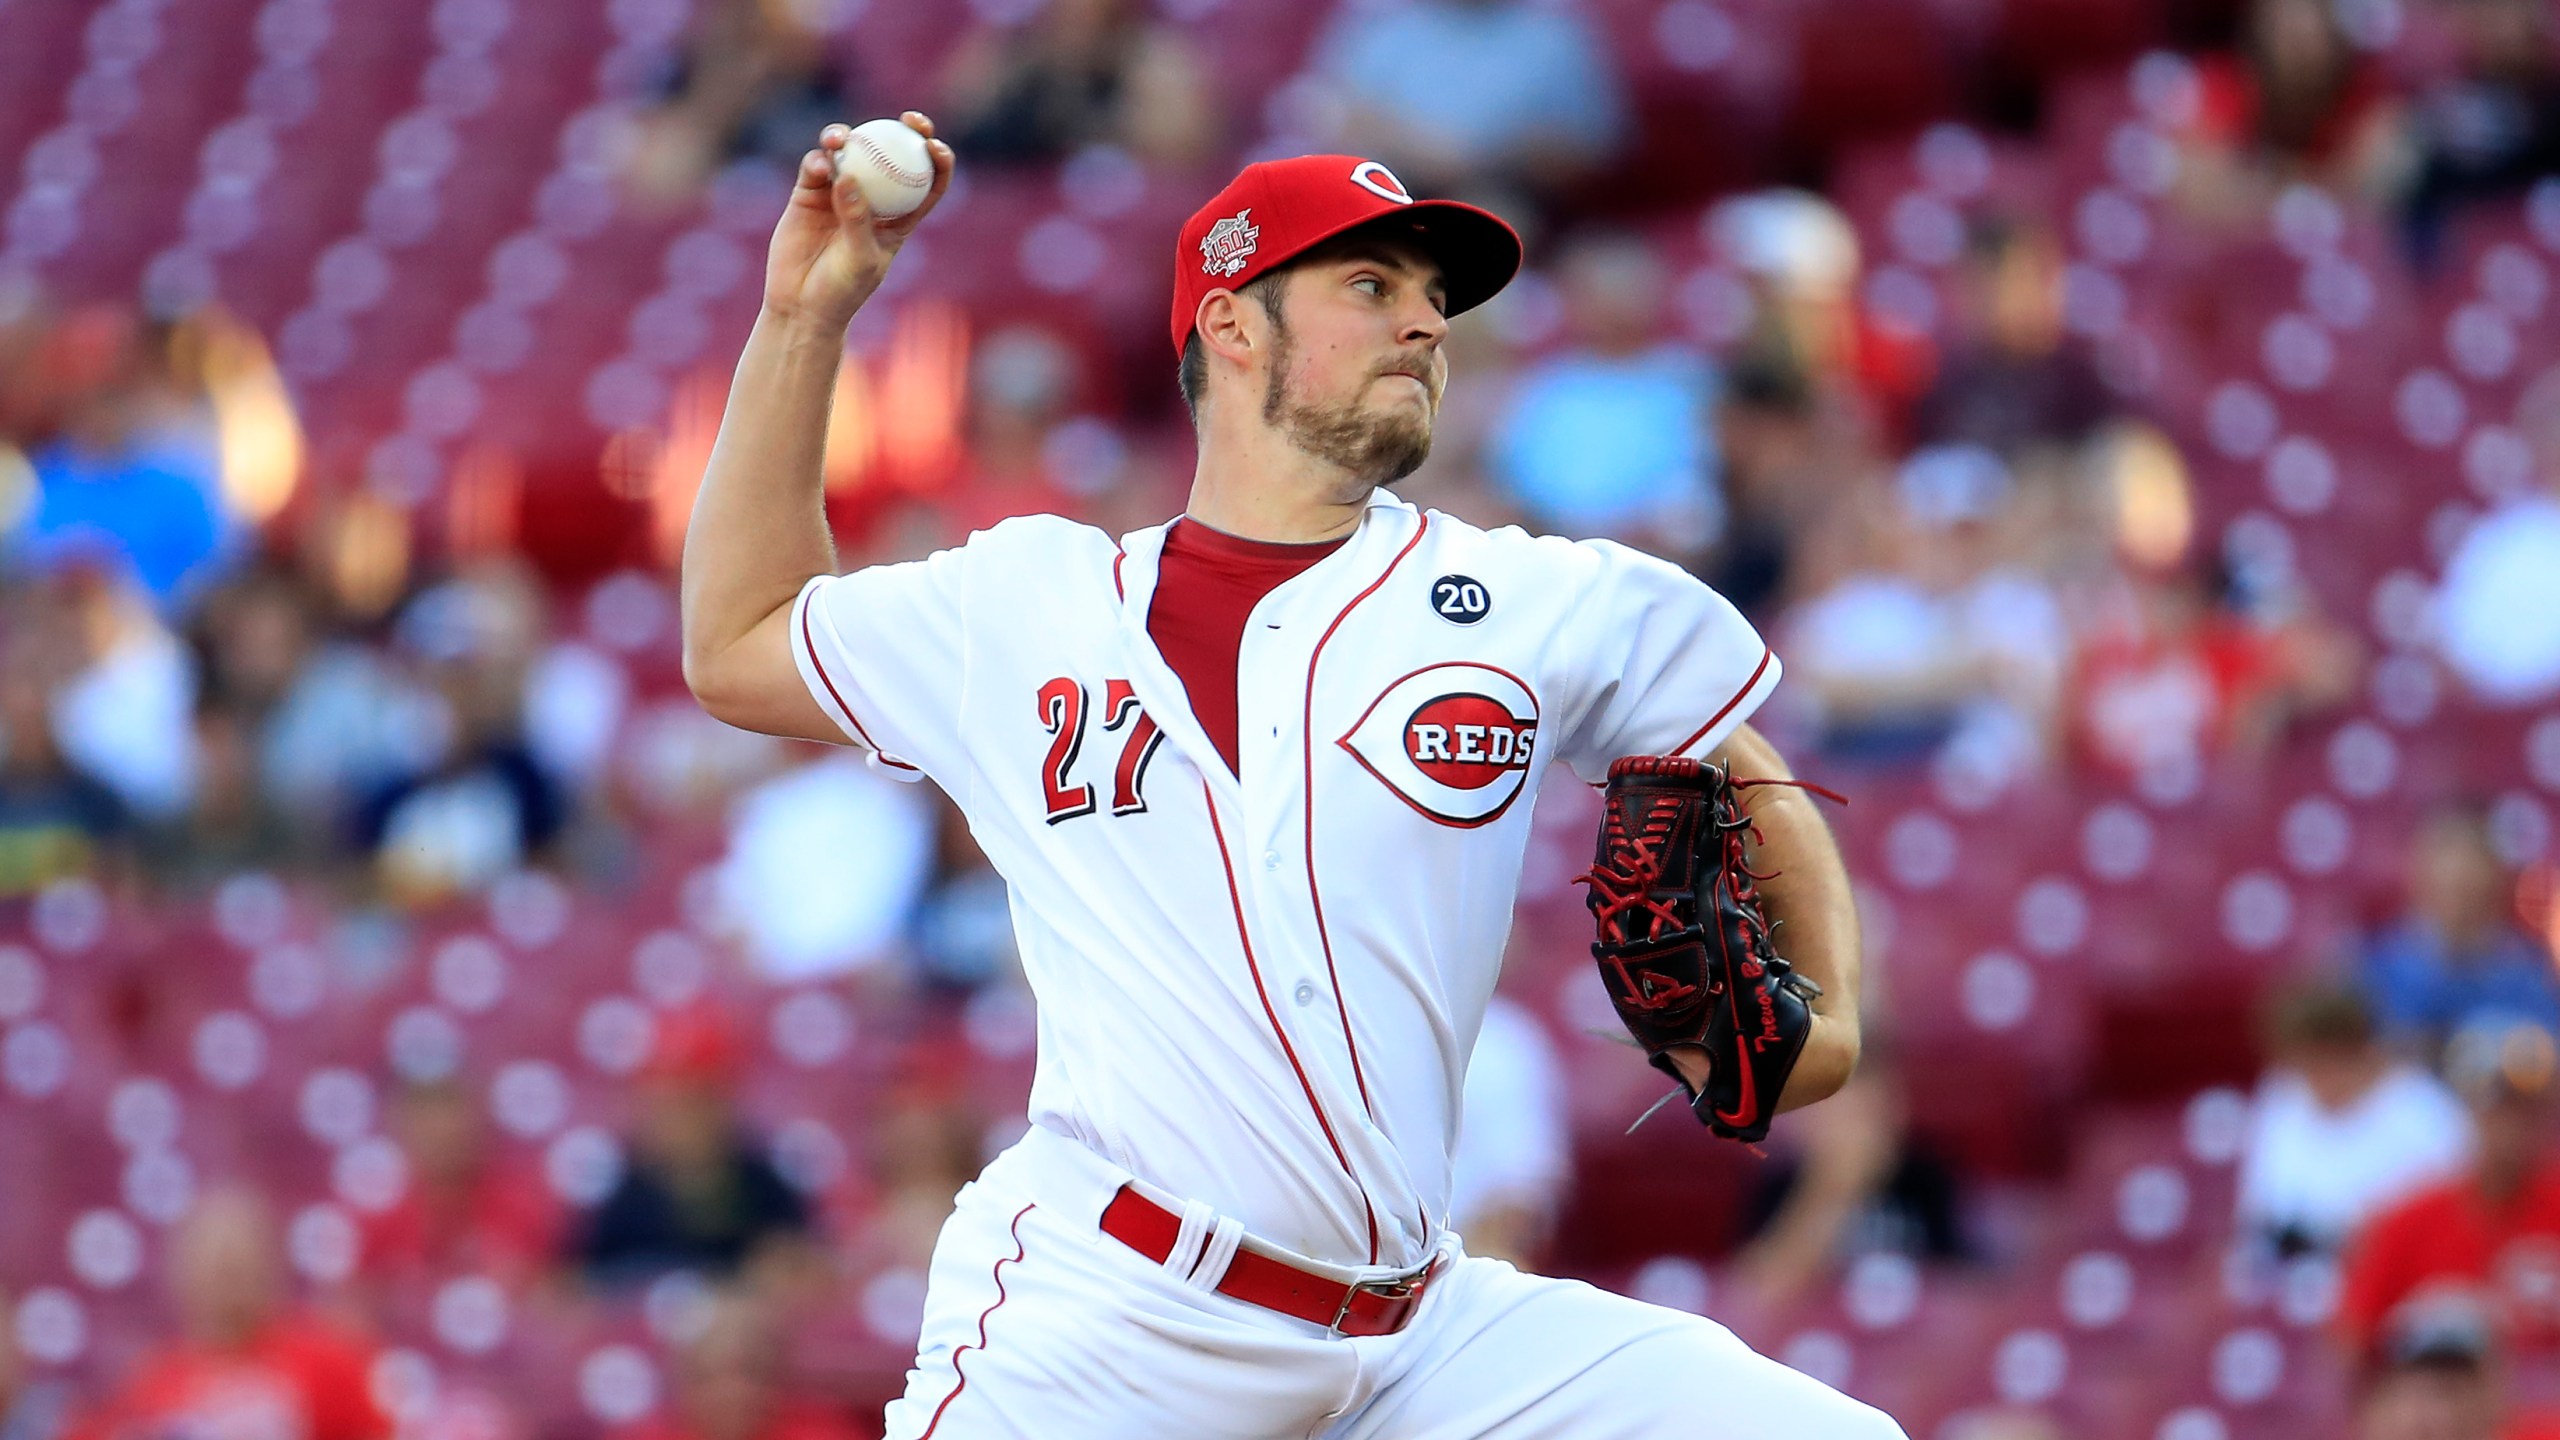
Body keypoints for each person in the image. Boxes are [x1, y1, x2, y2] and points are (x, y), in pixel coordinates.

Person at [680, 116, 1895, 1437]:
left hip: (1425, 1335)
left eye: (1435, 299)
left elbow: (1742, 760)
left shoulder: (1532, 600)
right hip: (1115, 1326)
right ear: (1232, 327)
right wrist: (803, 320)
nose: (1425, 325)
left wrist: (1824, 1021)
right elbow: (739, 640)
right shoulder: (1026, 604)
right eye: (1371, 288)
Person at [68, 1189, 388, 1440]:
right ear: (181, 1274)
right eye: (215, 1268)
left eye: (239, 1266)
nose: (227, 1282)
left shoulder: (326, 1360)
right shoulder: (153, 1384)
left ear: (269, 1266)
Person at [2339, 1021, 2560, 1365]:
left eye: (2528, 1109)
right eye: (2500, 1107)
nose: (2513, 1125)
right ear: (2469, 1111)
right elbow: (2352, 1343)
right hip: (2448, 1410)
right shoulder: (2405, 1221)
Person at [576, 1007, 817, 1288]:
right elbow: (580, 1288)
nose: (678, 1123)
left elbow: (803, 1264)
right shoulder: (620, 1201)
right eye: (663, 1107)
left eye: (692, 1104)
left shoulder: (765, 1189)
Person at [2235, 981, 2473, 1261]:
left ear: (2359, 1049)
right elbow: (2260, 1215)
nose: (2312, 1076)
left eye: (2325, 1059)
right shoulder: (2284, 1094)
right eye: (2301, 1063)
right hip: (2287, 1280)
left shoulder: (2425, 1113)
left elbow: (2454, 1224)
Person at [2357, 805, 2559, 1053]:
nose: (2458, 872)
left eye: (2472, 856)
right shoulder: (2368, 969)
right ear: (2417, 870)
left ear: (2498, 874)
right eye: (2445, 853)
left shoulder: (2531, 976)